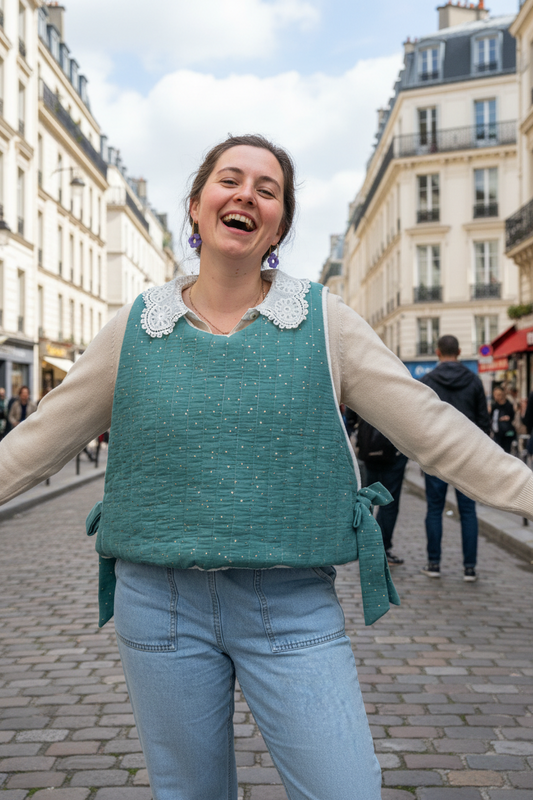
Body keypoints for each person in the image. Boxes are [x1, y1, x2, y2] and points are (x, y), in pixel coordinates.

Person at [1, 135, 533, 800]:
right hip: (158, 604)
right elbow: (40, 438)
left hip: (290, 604)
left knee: (345, 789)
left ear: (276, 224)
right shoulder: (135, 326)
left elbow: (429, 428)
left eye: (267, 188)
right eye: (230, 180)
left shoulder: (321, 322)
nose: (246, 194)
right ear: (197, 207)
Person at [420, 335, 491, 582]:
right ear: (459, 352)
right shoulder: (473, 381)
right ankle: (469, 568)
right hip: (468, 455)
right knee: (468, 512)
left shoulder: (427, 381)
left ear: (438, 352)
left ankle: (434, 563)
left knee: (434, 510)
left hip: (437, 454)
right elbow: (484, 422)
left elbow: (421, 423)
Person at [356, 418, 408, 566]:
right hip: (394, 450)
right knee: (389, 502)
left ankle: (365, 544)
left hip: (368, 446)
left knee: (367, 498)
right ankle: (381, 547)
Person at [490, 385, 517, 454]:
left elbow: (513, 417)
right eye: (495, 395)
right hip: (497, 433)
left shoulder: (509, 405)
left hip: (507, 433)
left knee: (506, 451)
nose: (497, 396)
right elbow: (490, 418)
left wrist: (507, 418)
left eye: (499, 394)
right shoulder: (493, 406)